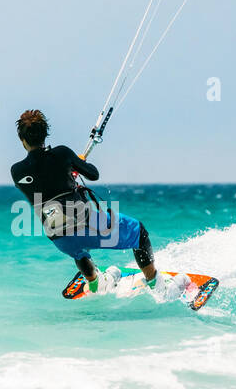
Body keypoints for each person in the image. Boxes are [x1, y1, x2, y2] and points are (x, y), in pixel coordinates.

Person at [11, 110, 167, 295]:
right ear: (45, 135)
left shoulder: (17, 171)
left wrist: (68, 170)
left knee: (78, 250)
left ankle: (95, 283)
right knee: (139, 233)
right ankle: (154, 284)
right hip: (87, 226)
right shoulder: (62, 154)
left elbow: (44, 185)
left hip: (59, 239)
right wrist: (76, 163)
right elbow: (93, 174)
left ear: (22, 139)